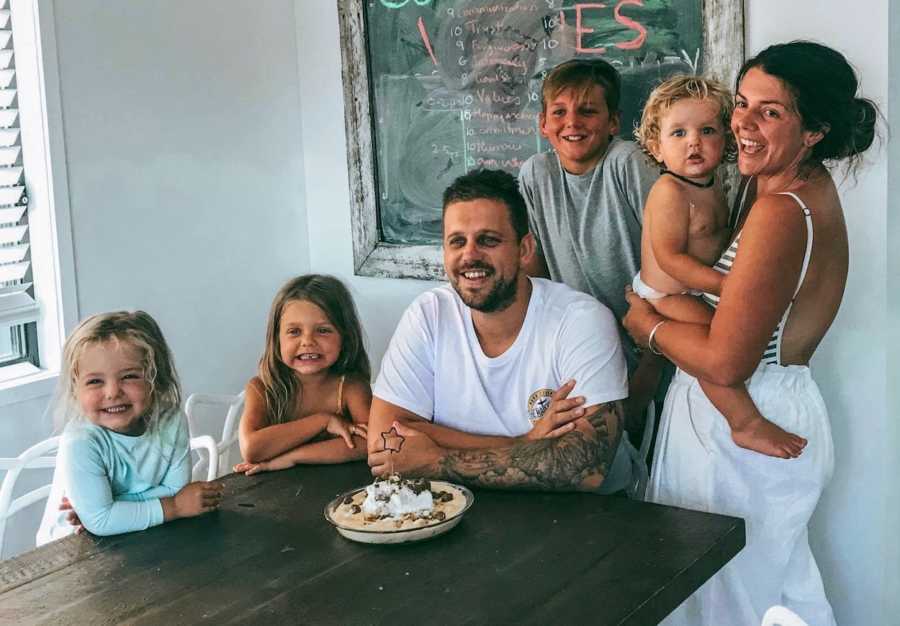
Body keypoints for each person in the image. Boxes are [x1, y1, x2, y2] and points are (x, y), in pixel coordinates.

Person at [623, 41, 877, 625]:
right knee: (763, 596)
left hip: (745, 430)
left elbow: (728, 363)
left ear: (813, 131)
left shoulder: (784, 209)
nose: (742, 123)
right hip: (755, 416)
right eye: (741, 103)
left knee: (729, 604)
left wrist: (648, 327)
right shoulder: (782, 189)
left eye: (771, 111)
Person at [367, 168, 635, 494]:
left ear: (524, 249)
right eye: (456, 242)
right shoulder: (429, 314)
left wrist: (438, 461)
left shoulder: (581, 320)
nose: (469, 255)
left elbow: (584, 468)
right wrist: (524, 442)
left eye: (488, 240)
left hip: (593, 520)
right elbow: (384, 443)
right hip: (471, 515)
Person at [632, 75, 806, 459]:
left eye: (707, 130)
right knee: (713, 345)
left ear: (726, 142)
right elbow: (671, 259)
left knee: (722, 336)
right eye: (678, 133)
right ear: (655, 147)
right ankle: (744, 422)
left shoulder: (714, 184)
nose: (693, 141)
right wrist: (728, 286)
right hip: (667, 293)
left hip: (693, 286)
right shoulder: (669, 192)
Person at [517, 58, 661, 432]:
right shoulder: (536, 174)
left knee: (646, 450)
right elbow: (537, 276)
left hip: (650, 342)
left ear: (613, 121)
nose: (572, 123)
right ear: (543, 124)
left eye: (587, 111)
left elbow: (671, 263)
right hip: (584, 349)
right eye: (559, 112)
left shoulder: (626, 163)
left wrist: (652, 367)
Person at [36, 311, 223, 544]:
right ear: (76, 389)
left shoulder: (171, 422)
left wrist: (114, 508)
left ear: (157, 379)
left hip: (142, 537)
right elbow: (102, 520)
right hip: (70, 552)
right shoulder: (81, 441)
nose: (113, 392)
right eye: (95, 381)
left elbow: (177, 489)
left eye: (129, 376)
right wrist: (173, 507)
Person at [234, 275, 371, 474]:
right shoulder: (261, 388)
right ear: (277, 338)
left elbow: (371, 444)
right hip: (276, 493)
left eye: (323, 330)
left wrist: (291, 457)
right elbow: (252, 449)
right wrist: (323, 421)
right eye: (295, 331)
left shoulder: (351, 387)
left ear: (346, 337)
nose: (307, 341)